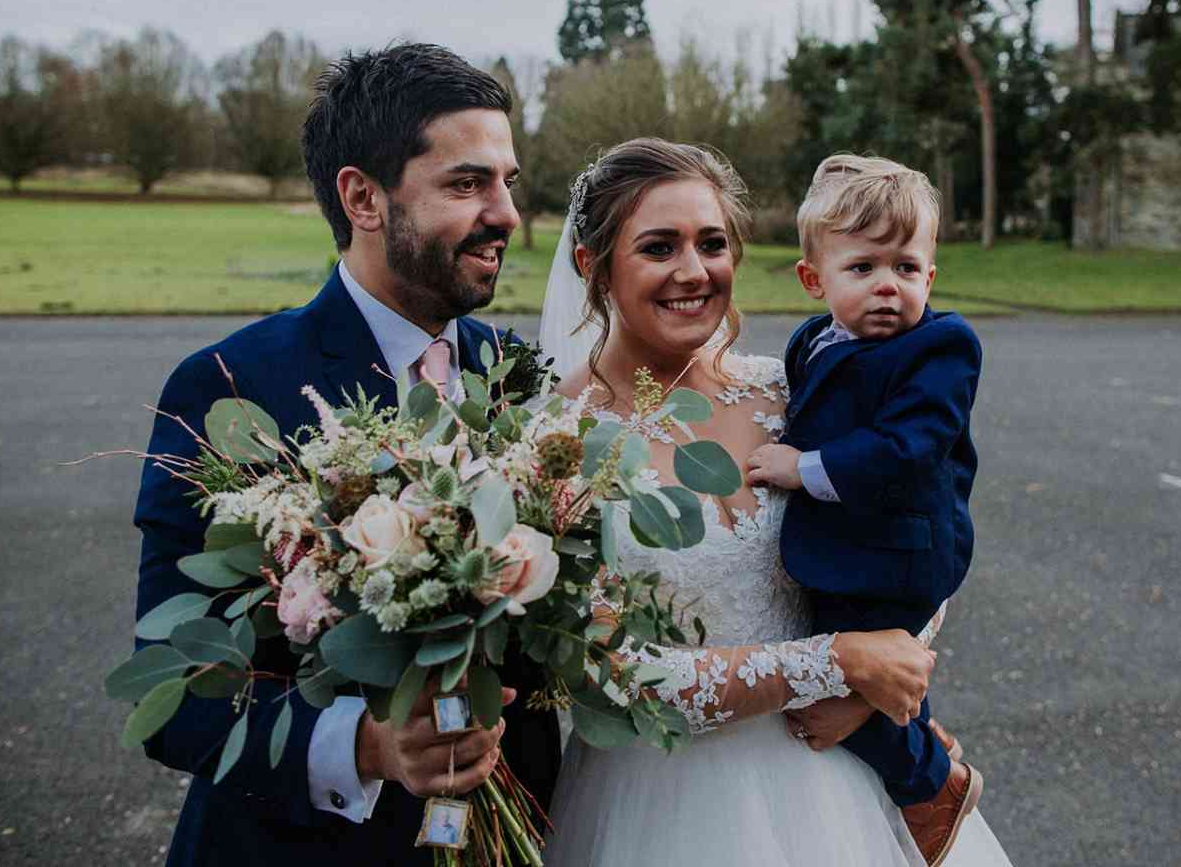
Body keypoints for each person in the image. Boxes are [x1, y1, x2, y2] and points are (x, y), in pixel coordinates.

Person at [131, 43, 559, 866]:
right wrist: (365, 746)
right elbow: (170, 690)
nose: (505, 212)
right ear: (363, 197)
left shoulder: (512, 373)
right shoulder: (231, 391)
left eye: (508, 181)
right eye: (468, 184)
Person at [536, 138, 1012, 866]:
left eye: (713, 243)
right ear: (590, 265)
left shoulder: (790, 393)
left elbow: (915, 525)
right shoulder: (555, 444)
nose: (694, 272)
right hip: (655, 799)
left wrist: (886, 676)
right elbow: (607, 676)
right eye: (659, 247)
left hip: (835, 776)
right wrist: (837, 664)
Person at [746, 154, 983, 865]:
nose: (888, 286)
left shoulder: (942, 347)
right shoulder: (809, 340)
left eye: (907, 268)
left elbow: (905, 449)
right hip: (851, 546)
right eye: (864, 268)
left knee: (847, 682)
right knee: (845, 658)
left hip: (902, 551)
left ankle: (932, 782)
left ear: (931, 276)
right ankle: (904, 727)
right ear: (814, 279)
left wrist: (801, 467)